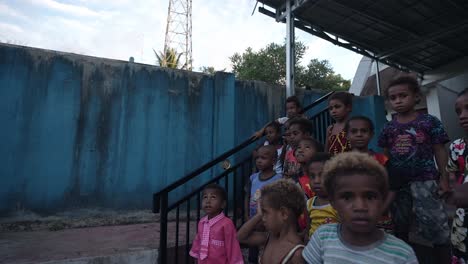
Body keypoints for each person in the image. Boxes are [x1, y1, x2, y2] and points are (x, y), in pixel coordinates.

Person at [378, 76, 451, 263]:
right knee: (400, 226)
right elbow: (385, 156)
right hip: (398, 185)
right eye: (393, 98)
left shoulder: (429, 121)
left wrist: (444, 177)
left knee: (436, 226)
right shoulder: (388, 127)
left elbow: (439, 150)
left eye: (403, 95)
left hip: (425, 181)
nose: (398, 101)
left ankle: (443, 259)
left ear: (416, 96)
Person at [302, 152, 418, 263]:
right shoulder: (322, 238)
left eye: (370, 197)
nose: (360, 207)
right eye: (347, 197)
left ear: (383, 200)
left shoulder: (402, 254)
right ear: (333, 202)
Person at [238, 179, 306, 264]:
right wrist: (258, 215)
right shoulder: (270, 237)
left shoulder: (297, 253)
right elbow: (241, 237)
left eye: (265, 212)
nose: (263, 218)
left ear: (284, 214)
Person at [345, 116, 394, 233]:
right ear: (346, 135)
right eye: (354, 131)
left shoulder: (383, 161)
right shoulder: (341, 162)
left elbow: (392, 188)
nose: (359, 134)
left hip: (380, 218)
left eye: (364, 131)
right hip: (350, 216)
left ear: (371, 134)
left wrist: (381, 209)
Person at [245, 145, 282, 263]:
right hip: (253, 220)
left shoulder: (278, 179)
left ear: (273, 161)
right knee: (252, 251)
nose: (259, 160)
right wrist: (247, 216)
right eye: (257, 158)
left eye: (263, 158)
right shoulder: (253, 178)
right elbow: (247, 197)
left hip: (268, 222)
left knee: (268, 247)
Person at [190, 184, 243, 264]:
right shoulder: (202, 222)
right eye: (205, 197)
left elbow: (232, 246)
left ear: (223, 204)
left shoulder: (226, 223)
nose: (208, 201)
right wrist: (196, 257)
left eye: (213, 197)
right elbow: (198, 241)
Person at [445, 88, 468, 263]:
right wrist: (451, 191)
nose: (462, 115)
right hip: (462, 227)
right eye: (458, 111)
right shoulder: (457, 147)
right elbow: (453, 178)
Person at [305, 152, 339, 238]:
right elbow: (308, 229)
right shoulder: (309, 204)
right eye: (312, 176)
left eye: (322, 175)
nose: (316, 181)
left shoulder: (338, 204)